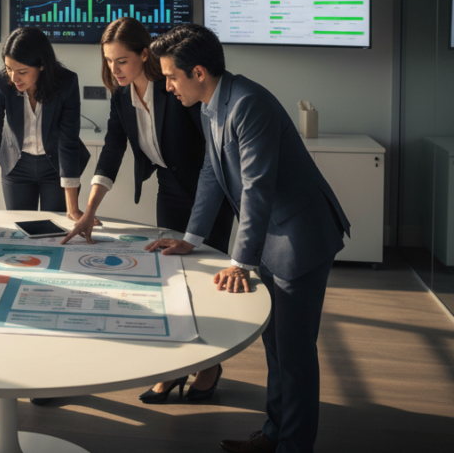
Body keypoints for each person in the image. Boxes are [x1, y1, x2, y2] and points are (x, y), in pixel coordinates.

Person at [145, 23, 350, 453]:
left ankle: (293, 447)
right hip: (276, 236)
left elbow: (257, 187)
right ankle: (275, 435)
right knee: (275, 347)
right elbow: (211, 173)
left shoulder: (247, 103)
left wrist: (241, 262)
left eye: (170, 76)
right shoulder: (211, 105)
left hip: (300, 236)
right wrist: (192, 237)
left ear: (198, 72)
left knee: (293, 353)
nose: (166, 85)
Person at [61, 17, 234, 403]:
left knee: (203, 279)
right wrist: (88, 211)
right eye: (108, 61)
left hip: (209, 190)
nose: (113, 69)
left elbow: (210, 151)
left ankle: (209, 365)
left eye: (121, 61)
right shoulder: (121, 97)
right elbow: (112, 150)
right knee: (169, 277)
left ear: (144, 54)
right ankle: (174, 368)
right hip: (170, 189)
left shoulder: (174, 87)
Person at [0, 27, 90, 231]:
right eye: (9, 68)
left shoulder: (66, 82)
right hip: (16, 167)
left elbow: (68, 140)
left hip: (56, 167)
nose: (14, 78)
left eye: (22, 72)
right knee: (22, 231)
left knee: (57, 230)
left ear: (42, 65)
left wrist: (73, 208)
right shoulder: (0, 82)